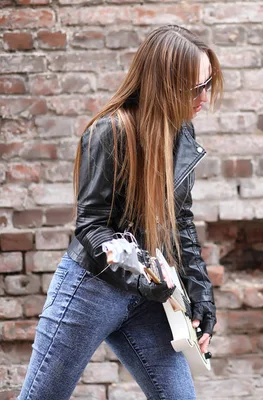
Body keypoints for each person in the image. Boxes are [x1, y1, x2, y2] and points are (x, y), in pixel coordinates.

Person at [18, 25, 223, 400]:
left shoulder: (181, 133)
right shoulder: (109, 132)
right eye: (196, 89)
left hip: (151, 298)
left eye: (208, 85)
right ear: (165, 85)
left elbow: (180, 221)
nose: (204, 99)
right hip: (91, 291)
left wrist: (201, 291)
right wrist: (140, 276)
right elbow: (92, 226)